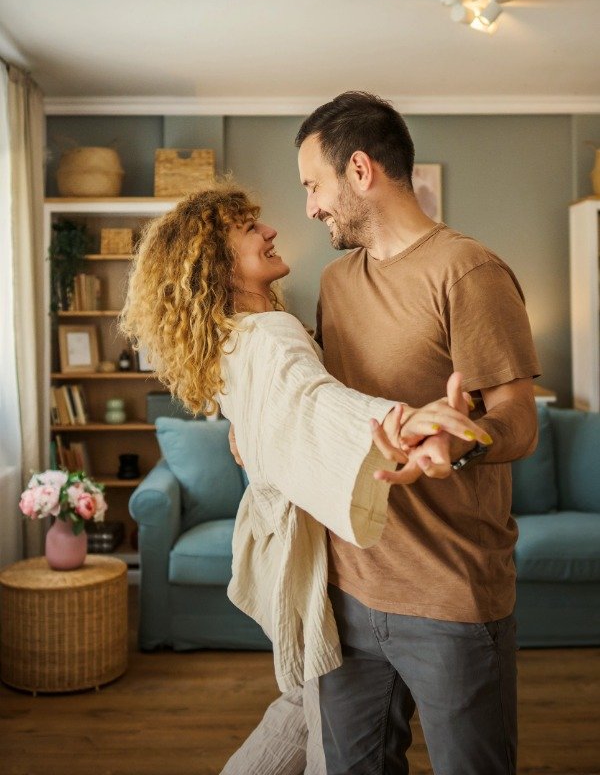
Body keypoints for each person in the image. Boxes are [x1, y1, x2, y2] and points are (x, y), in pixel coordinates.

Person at [118, 184, 490, 775]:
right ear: (215, 262)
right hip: (302, 545)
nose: (270, 231)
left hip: (281, 538)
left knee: (306, 701)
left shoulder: (242, 331)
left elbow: (282, 406)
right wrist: (403, 420)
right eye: (249, 229)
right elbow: (313, 400)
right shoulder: (269, 335)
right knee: (326, 738)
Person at [293, 91, 541, 775]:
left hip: (452, 597)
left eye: (315, 184)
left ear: (362, 171)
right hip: (349, 588)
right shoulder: (336, 283)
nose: (311, 206)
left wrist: (458, 442)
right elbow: (323, 407)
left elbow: (521, 418)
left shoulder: (468, 270)